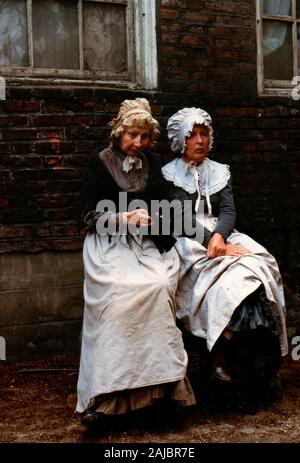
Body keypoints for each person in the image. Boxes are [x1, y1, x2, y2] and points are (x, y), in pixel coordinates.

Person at [75, 98, 195, 428]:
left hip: (146, 243)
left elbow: (171, 196)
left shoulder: (150, 163)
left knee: (157, 288)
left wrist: (160, 213)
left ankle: (160, 395)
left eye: (143, 136)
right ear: (118, 133)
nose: (137, 143)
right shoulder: (100, 162)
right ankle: (106, 400)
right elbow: (85, 214)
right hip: (110, 244)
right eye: (131, 135)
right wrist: (121, 217)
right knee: (119, 296)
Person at [161, 107, 288, 404]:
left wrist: (220, 236)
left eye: (204, 134)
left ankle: (256, 368)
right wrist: (211, 242)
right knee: (222, 284)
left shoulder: (220, 171)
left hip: (223, 234)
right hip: (189, 240)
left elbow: (228, 210)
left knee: (259, 267)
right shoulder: (169, 175)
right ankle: (218, 359)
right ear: (181, 140)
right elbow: (179, 217)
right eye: (192, 136)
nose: (200, 141)